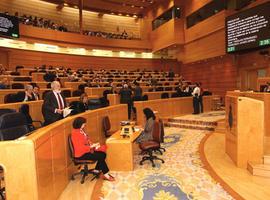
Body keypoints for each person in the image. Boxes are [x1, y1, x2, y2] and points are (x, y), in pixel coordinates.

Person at [71, 117, 115, 181]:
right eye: (83, 124)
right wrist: (91, 147)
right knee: (100, 156)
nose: (84, 125)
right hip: (81, 154)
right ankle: (106, 174)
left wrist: (93, 144)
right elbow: (79, 147)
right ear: (79, 124)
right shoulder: (75, 133)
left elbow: (87, 140)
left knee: (103, 154)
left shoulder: (81, 130)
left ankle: (96, 170)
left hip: (86, 151)